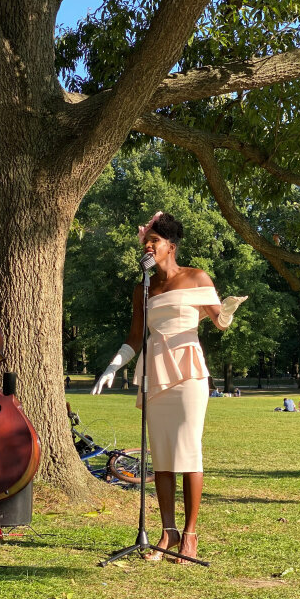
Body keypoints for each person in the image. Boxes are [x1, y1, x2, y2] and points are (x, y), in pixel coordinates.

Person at [91, 211, 247, 563]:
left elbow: (219, 322)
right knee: (160, 457)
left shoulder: (196, 277)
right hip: (154, 371)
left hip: (188, 370)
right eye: (146, 241)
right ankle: (168, 532)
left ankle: (190, 534)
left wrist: (229, 310)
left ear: (170, 247)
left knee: (188, 451)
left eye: (154, 241)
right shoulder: (143, 287)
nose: (148, 246)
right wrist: (112, 367)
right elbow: (134, 338)